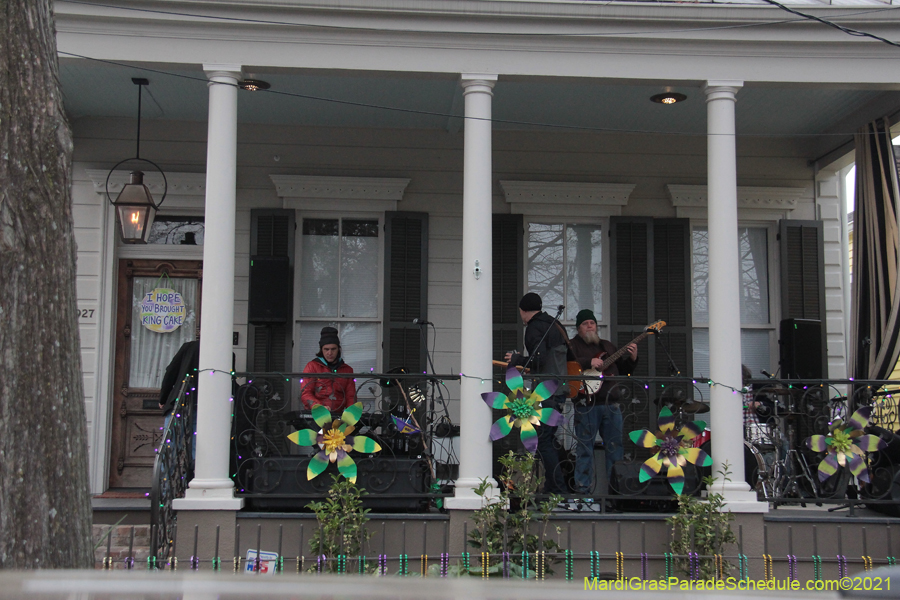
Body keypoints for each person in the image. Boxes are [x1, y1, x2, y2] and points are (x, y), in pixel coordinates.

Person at [504, 292, 569, 495]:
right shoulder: (555, 325)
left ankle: (557, 489)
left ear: (523, 311)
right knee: (549, 439)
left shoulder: (533, 328)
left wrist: (517, 359)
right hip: (561, 388)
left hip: (546, 391)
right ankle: (553, 485)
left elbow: (537, 360)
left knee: (543, 441)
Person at [569, 309, 637, 501]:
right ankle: (583, 494)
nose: (590, 326)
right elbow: (568, 365)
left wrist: (632, 359)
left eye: (592, 322)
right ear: (579, 328)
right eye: (585, 323)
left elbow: (623, 371)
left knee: (616, 448)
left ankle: (616, 494)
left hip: (611, 404)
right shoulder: (573, 346)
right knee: (584, 449)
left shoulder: (608, 346)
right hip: (586, 404)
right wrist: (587, 361)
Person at [301, 327, 356, 412]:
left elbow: (350, 396)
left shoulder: (348, 370)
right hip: (317, 415)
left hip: (339, 416)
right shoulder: (312, 366)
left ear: (338, 349)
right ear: (321, 350)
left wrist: (351, 414)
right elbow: (306, 393)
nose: (330, 353)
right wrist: (319, 407)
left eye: (333, 349)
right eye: (326, 349)